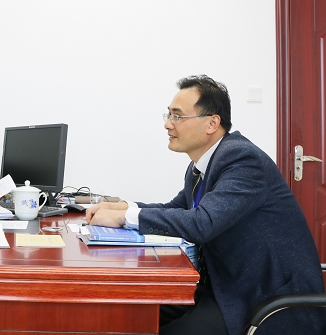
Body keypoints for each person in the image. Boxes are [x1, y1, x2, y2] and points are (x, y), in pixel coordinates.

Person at [86, 75, 325, 335]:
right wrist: (123, 207)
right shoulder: (202, 165)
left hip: (261, 297)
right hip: (221, 285)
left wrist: (126, 218)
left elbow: (203, 222)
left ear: (212, 123)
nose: (168, 124)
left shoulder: (242, 159)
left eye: (178, 116)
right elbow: (178, 207)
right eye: (169, 114)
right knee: (131, 310)